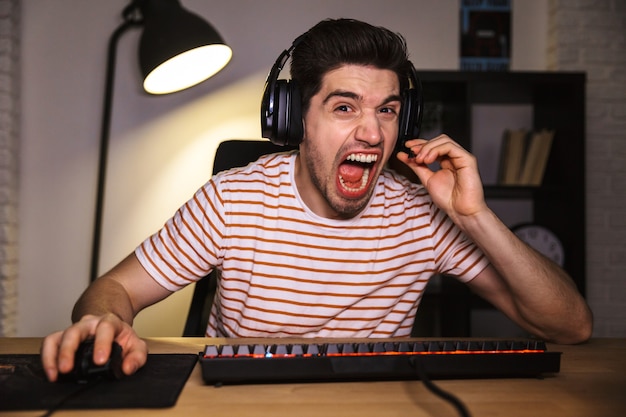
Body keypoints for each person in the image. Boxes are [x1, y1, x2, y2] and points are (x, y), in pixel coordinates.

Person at [41, 18, 592, 382]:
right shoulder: (235, 200)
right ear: (293, 119)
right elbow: (112, 290)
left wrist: (477, 217)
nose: (373, 135)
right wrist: (103, 323)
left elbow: (570, 327)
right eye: (345, 108)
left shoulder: (424, 215)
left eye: (387, 110)